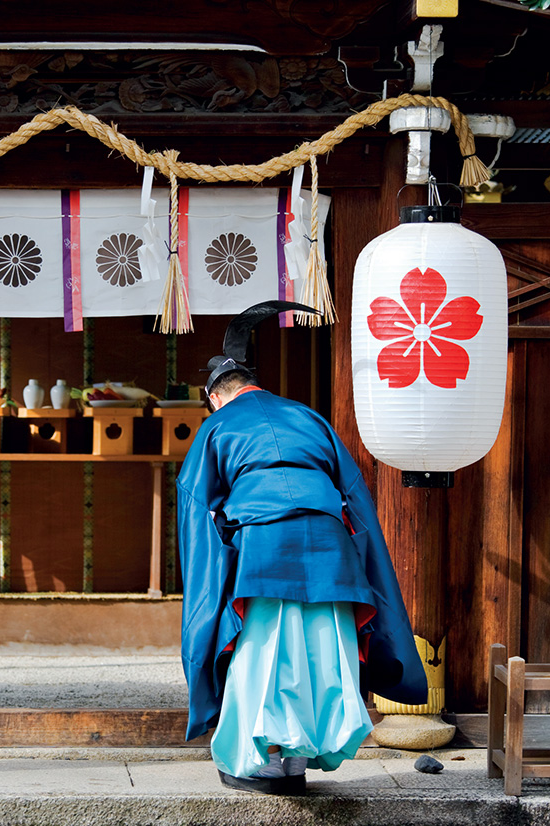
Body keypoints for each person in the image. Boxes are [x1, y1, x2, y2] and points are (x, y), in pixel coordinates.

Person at [178, 301, 428, 795]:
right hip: (330, 546)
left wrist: (208, 597)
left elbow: (196, 511)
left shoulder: (218, 426)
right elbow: (355, 496)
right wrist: (364, 565)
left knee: (265, 649)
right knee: (320, 647)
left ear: (214, 399)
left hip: (265, 545)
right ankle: (295, 766)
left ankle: (262, 766)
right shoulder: (310, 418)